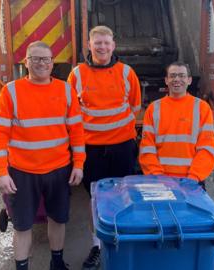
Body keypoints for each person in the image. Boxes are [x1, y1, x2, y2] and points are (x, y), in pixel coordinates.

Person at [0, 41, 85, 270]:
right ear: (26, 62)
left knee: (58, 219)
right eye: (35, 59)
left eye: (45, 59)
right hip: (22, 172)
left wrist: (78, 165)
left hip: (59, 170)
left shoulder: (65, 90)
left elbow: (77, 132)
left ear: (53, 63)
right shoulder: (11, 91)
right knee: (22, 226)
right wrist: (2, 172)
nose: (41, 63)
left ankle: (57, 263)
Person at [67, 25, 141, 270]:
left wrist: (115, 130)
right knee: (95, 199)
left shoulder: (126, 72)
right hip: (92, 149)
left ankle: (121, 242)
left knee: (122, 196)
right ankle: (97, 246)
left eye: (106, 43)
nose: (102, 47)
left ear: (113, 45)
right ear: (89, 45)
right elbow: (71, 111)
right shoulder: (77, 74)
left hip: (122, 146)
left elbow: (134, 107)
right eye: (97, 43)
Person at [139, 62, 214, 188]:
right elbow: (147, 148)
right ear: (166, 80)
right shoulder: (154, 109)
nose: (177, 79)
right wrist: (157, 175)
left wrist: (194, 177)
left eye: (182, 76)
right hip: (160, 181)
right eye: (173, 75)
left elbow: (206, 148)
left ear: (189, 80)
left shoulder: (202, 108)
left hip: (191, 182)